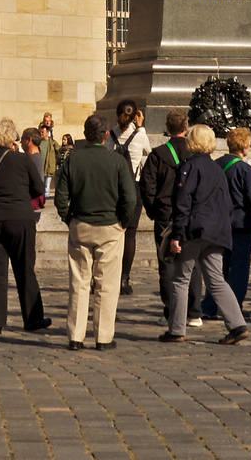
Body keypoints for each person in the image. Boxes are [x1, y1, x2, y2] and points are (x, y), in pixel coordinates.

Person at [55, 113, 137, 350]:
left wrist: (68, 218)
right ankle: (103, 337)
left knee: (79, 283)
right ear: (106, 136)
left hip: (81, 225)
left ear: (84, 134)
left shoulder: (73, 160)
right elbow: (129, 198)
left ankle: (76, 336)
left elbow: (61, 197)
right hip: (110, 227)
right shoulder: (118, 161)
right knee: (107, 284)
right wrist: (122, 221)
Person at [161, 125, 248, 344]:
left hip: (194, 231)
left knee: (181, 279)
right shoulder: (218, 168)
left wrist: (177, 234)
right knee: (217, 280)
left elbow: (183, 203)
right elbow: (227, 205)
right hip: (217, 232)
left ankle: (177, 329)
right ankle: (237, 325)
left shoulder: (188, 167)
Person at [0, 119, 50, 334]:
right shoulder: (23, 161)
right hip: (20, 219)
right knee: (25, 269)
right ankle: (32, 319)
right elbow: (39, 188)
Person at [137, 109, 203, 327]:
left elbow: (147, 186)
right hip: (191, 215)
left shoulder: (157, 154)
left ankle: (170, 311)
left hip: (165, 215)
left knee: (166, 263)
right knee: (192, 263)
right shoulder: (197, 154)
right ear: (186, 127)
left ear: (168, 127)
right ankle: (194, 312)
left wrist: (153, 210)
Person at [204, 129, 251, 317]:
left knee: (217, 269)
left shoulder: (215, 165)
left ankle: (210, 305)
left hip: (218, 225)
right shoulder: (245, 170)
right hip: (241, 224)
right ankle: (234, 307)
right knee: (239, 268)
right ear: (245, 147)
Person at [102, 101, 150, 296]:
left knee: (113, 234)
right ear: (134, 116)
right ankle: (124, 279)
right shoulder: (139, 136)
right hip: (133, 188)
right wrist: (141, 126)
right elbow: (148, 151)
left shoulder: (110, 137)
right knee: (130, 234)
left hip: (114, 190)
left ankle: (109, 276)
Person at [38, 121, 58, 198]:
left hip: (49, 167)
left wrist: (56, 164)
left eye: (43, 132)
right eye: (40, 132)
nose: (41, 134)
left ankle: (46, 199)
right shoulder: (38, 143)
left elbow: (58, 153)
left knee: (47, 186)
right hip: (41, 167)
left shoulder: (53, 143)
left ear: (47, 133)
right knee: (41, 184)